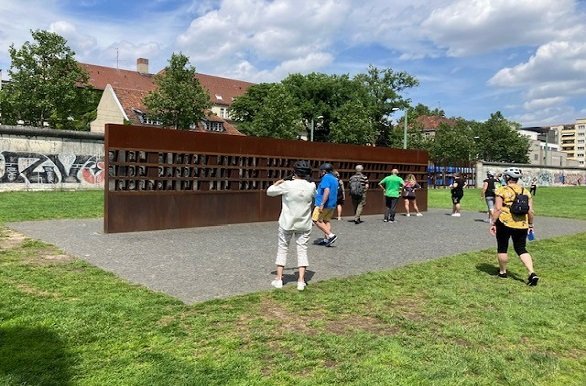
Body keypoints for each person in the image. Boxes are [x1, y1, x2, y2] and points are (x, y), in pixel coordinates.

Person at [266, 160, 316, 291]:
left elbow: (270, 191)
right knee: (302, 250)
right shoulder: (311, 186)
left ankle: (279, 279)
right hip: (304, 223)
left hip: (287, 222)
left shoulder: (287, 185)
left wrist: (279, 182)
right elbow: (315, 196)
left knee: (283, 248)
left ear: (294, 172)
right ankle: (301, 280)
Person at [489, 167, 539, 286]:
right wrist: (530, 225)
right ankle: (531, 272)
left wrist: (493, 222)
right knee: (521, 248)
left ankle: (502, 272)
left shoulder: (502, 190)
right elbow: (531, 211)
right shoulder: (526, 192)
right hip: (522, 224)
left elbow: (498, 209)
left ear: (507, 178)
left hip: (504, 223)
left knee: (502, 247)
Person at [312, 163, 339, 246]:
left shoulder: (326, 178)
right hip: (332, 204)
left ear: (324, 171)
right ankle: (326, 240)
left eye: (320, 171)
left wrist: (322, 204)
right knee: (326, 221)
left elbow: (326, 190)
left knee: (316, 220)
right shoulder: (335, 179)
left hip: (323, 204)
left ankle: (331, 235)